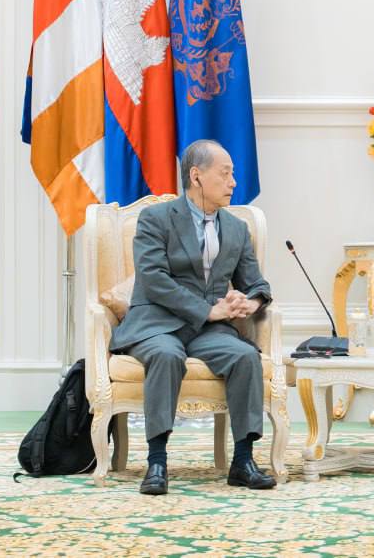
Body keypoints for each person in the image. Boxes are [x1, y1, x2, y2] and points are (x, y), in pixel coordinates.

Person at [108, 139, 276, 493]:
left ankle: (243, 461)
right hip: (157, 323)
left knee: (245, 356)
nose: (233, 182)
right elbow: (153, 279)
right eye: (225, 174)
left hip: (208, 330)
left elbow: (255, 283)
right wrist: (208, 310)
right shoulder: (155, 219)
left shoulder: (236, 228)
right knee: (166, 355)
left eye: (233, 174)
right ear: (196, 176)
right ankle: (157, 462)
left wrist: (251, 303)